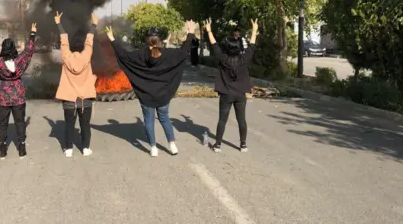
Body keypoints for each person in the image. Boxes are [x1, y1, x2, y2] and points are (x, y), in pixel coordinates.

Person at [105, 21, 196, 157]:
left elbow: (123, 54)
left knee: (148, 120)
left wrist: (112, 38)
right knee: (164, 118)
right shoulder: (169, 54)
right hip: (163, 95)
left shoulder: (139, 55)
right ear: (160, 40)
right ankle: (172, 145)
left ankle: (153, 148)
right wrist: (190, 32)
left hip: (146, 96)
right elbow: (184, 51)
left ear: (147, 40)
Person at [204, 18, 258, 153]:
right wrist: (255, 30)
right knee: (242, 119)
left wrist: (209, 30)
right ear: (239, 48)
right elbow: (252, 45)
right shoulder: (244, 59)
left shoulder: (223, 59)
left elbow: (214, 45)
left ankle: (218, 145)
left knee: (222, 119)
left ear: (227, 48)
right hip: (240, 94)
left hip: (226, 94)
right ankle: (243, 145)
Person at [0, 23, 37, 159]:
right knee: (20, 122)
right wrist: (32, 33)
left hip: (3, 97)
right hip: (18, 96)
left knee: (2, 123)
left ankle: (3, 149)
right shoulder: (20, 61)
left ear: (3, 49)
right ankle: (22, 148)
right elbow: (29, 50)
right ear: (14, 49)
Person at [54, 11, 98, 158]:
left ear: (72, 48)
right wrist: (94, 25)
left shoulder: (66, 56)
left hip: (68, 99)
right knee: (85, 124)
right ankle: (85, 148)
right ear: (82, 48)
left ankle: (68, 149)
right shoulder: (87, 55)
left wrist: (58, 23)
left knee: (69, 125)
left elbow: (64, 41)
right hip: (85, 98)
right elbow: (89, 41)